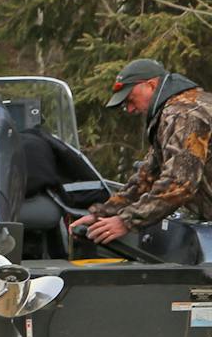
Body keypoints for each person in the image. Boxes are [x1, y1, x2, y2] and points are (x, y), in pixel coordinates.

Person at [73, 58, 212, 245]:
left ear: (151, 85)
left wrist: (126, 221)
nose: (130, 109)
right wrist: (103, 213)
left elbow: (179, 183)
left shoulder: (184, 114)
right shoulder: (178, 110)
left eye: (130, 99)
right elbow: (148, 176)